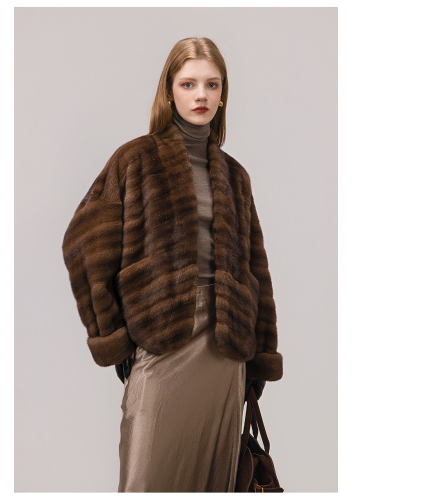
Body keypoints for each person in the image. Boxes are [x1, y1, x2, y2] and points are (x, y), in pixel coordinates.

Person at [62, 37, 282, 493]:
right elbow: (83, 245)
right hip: (162, 341)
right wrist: (114, 337)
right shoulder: (135, 160)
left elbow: (256, 271)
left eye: (212, 85)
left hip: (226, 353)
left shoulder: (235, 176)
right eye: (188, 84)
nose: (201, 95)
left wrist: (258, 359)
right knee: (146, 481)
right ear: (168, 91)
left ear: (223, 94)